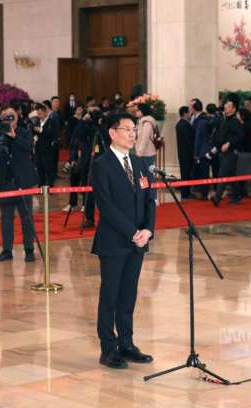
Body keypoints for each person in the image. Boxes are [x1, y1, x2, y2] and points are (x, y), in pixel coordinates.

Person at [91, 112, 156, 369]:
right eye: (127, 129)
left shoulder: (139, 163)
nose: (132, 134)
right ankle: (108, 348)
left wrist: (147, 231)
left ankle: (126, 344)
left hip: (138, 241)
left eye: (134, 130)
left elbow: (149, 200)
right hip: (114, 241)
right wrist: (132, 232)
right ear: (112, 133)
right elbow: (105, 206)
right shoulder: (101, 164)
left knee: (128, 295)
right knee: (110, 295)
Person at [0, 106, 38, 261]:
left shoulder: (24, 132)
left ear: (17, 116)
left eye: (11, 115)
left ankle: (29, 248)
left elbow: (29, 147)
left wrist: (14, 136)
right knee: (6, 218)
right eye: (5, 115)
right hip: (5, 181)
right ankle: (7, 250)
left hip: (22, 180)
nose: (9, 118)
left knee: (27, 216)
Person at [210, 98, 244, 206]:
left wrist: (229, 143)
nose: (225, 106)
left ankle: (218, 196)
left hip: (230, 151)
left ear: (234, 108)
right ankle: (238, 195)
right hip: (221, 151)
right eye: (225, 105)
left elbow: (240, 136)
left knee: (223, 173)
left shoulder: (235, 122)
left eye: (228, 105)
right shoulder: (222, 120)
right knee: (231, 174)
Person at [193, 103, 220, 200]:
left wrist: (196, 153)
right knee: (216, 172)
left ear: (206, 111)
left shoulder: (201, 122)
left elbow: (198, 138)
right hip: (216, 151)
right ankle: (218, 192)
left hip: (203, 151)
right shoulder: (219, 120)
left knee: (204, 173)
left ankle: (204, 193)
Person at [134, 103, 158, 200]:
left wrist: (139, 152)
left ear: (142, 111)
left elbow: (144, 139)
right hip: (141, 153)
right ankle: (144, 196)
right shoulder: (141, 122)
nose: (135, 112)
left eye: (137, 110)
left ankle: (153, 197)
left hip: (147, 154)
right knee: (142, 176)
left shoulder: (147, 122)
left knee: (149, 175)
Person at [33, 103, 59, 187]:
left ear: (45, 112)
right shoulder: (37, 121)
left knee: (48, 169)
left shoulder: (51, 121)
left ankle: (50, 185)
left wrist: (41, 130)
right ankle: (41, 185)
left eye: (40, 114)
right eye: (38, 114)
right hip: (38, 148)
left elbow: (53, 133)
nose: (39, 116)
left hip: (48, 149)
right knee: (39, 168)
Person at [236, 108, 251, 198]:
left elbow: (241, 139)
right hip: (250, 151)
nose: (237, 116)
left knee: (241, 172)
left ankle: (241, 192)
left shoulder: (244, 126)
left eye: (238, 114)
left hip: (245, 152)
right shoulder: (250, 125)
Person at [175, 106, 196, 200]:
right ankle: (185, 194)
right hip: (187, 155)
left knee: (185, 174)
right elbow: (189, 141)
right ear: (185, 114)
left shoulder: (180, 123)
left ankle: (186, 192)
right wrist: (194, 153)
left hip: (182, 154)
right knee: (186, 174)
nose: (191, 113)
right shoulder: (185, 125)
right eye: (189, 112)